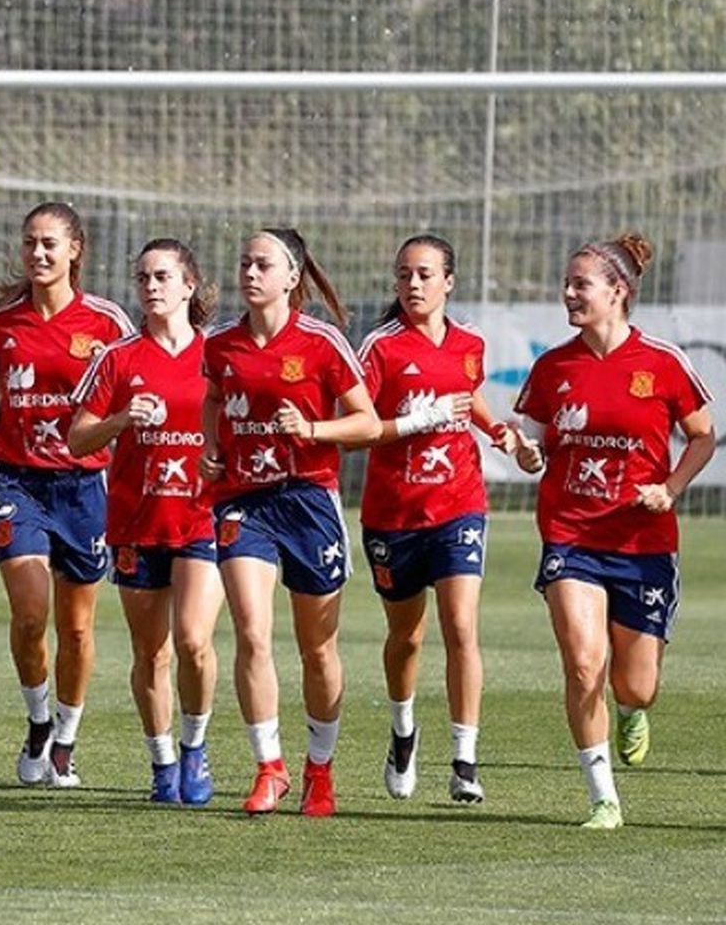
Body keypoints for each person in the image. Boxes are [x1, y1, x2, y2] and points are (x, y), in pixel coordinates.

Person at [510, 233, 714, 829]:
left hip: (642, 543)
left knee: (637, 684)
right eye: (568, 283)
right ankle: (603, 797)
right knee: (582, 662)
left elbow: (703, 435)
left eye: (582, 284)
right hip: (571, 537)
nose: (569, 293)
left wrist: (671, 488)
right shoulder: (553, 366)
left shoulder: (663, 362)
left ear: (617, 292)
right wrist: (527, 456)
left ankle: (632, 710)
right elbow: (538, 442)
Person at [199, 228, 378, 817]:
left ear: (291, 276)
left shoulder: (323, 343)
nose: (250, 273)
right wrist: (210, 448)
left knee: (317, 649)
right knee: (252, 631)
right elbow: (212, 399)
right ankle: (268, 767)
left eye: (262, 264)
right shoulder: (221, 343)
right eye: (245, 263)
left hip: (308, 500)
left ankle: (319, 770)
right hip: (242, 501)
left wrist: (314, 431)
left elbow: (368, 424)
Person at [0, 202, 132, 788]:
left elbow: (136, 384)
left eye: (50, 243)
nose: (38, 253)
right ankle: (36, 719)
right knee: (31, 614)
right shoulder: (3, 323)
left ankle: (65, 736)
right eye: (30, 241)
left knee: (78, 628)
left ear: (75, 250)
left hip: (85, 487)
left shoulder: (106, 324)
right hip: (17, 480)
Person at [67, 238, 221, 805]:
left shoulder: (216, 355)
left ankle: (196, 749)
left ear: (189, 286)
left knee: (194, 641)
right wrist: (119, 420)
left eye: (162, 276)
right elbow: (77, 438)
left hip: (202, 517)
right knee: (150, 651)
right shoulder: (118, 358)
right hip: (135, 522)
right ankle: (161, 763)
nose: (151, 287)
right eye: (142, 278)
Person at [355, 235, 507, 805]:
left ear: (449, 281)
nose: (412, 285)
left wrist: (500, 434)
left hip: (459, 505)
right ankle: (402, 729)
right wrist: (417, 421)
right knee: (406, 636)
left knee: (461, 627)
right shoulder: (381, 347)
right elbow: (362, 426)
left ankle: (465, 760)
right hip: (393, 514)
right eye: (403, 275)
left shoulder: (469, 343)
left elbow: (470, 396)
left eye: (423, 274)